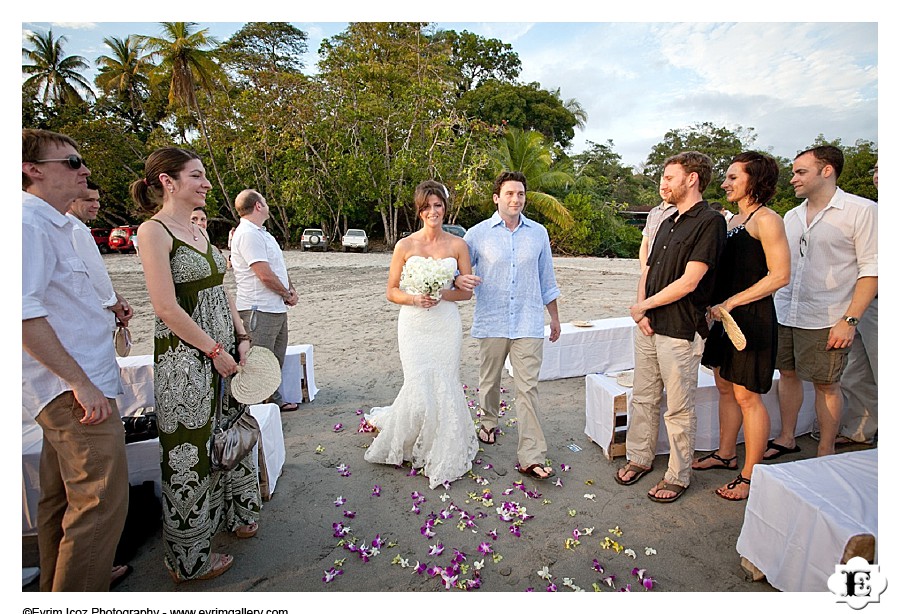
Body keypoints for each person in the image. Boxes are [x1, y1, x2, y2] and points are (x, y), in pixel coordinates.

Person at [132, 147, 260, 583]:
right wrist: (213, 351)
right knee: (189, 453)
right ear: (168, 182)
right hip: (186, 361)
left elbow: (222, 291)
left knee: (231, 433)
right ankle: (190, 561)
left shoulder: (199, 230)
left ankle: (236, 515)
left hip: (223, 349)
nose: (206, 183)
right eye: (197, 176)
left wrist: (241, 338)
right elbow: (166, 307)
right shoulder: (153, 232)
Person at [22, 128, 129, 591]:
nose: (83, 169)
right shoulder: (27, 225)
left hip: (77, 380)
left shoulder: (55, 224)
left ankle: (55, 585)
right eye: (71, 161)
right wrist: (80, 383)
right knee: (99, 502)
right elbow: (23, 314)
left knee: (60, 500)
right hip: (72, 389)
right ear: (32, 169)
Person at [614, 151, 726, 503]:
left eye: (669, 177)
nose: (663, 183)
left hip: (681, 328)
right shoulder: (665, 220)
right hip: (648, 325)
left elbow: (690, 281)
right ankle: (640, 457)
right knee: (644, 397)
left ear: (692, 179)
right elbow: (647, 270)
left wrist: (643, 306)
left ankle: (678, 475)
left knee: (679, 407)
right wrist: (641, 313)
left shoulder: (710, 222)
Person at [363, 180, 479, 488]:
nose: (433, 211)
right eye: (426, 206)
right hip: (413, 324)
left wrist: (444, 294)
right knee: (417, 380)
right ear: (419, 211)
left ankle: (442, 444)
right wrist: (416, 298)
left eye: (437, 205)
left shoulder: (458, 246)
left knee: (444, 379)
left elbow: (464, 294)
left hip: (445, 323)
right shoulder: (405, 246)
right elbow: (391, 291)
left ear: (445, 208)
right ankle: (412, 438)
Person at [690, 152, 790, 501]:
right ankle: (725, 453)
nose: (725, 183)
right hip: (722, 318)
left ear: (755, 179)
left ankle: (751, 475)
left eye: (734, 177)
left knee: (748, 396)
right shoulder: (731, 221)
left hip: (752, 319)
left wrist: (732, 303)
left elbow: (780, 275)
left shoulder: (768, 220)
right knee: (723, 387)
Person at [766, 146, 877, 459]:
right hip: (787, 311)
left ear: (826, 170)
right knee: (786, 375)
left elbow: (872, 270)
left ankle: (825, 450)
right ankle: (787, 437)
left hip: (829, 316)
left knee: (827, 384)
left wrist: (850, 320)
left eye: (801, 172)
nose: (793, 179)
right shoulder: (791, 216)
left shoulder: (862, 210)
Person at [456, 171, 559, 480]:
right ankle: (488, 422)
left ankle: (531, 455)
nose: (516, 199)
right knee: (489, 381)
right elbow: (458, 270)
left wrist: (554, 317)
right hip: (492, 320)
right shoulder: (476, 234)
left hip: (528, 321)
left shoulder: (538, 233)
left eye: (521, 194)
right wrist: (459, 278)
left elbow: (546, 278)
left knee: (528, 389)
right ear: (496, 198)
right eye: (510, 194)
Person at [229, 189, 299, 412]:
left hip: (275, 306)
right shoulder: (247, 234)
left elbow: (277, 266)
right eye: (265, 201)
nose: (267, 205)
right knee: (258, 359)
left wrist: (291, 289)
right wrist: (286, 294)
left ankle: (272, 399)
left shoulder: (263, 233)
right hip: (257, 308)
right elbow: (264, 274)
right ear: (258, 206)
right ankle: (255, 407)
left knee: (275, 358)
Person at [836, 159, 878, 446]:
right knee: (855, 371)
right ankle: (861, 430)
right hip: (861, 301)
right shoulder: (868, 209)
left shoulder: (867, 210)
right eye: (875, 169)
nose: (877, 175)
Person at [67, 180, 133, 333]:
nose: (96, 205)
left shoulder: (74, 227)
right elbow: (94, 275)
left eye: (97, 200)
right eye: (89, 200)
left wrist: (116, 296)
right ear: (71, 200)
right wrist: (115, 304)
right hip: (92, 318)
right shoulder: (75, 229)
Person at [638, 193, 676, 270]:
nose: (664, 187)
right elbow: (645, 243)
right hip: (650, 268)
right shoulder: (653, 212)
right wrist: (644, 270)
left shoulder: (681, 212)